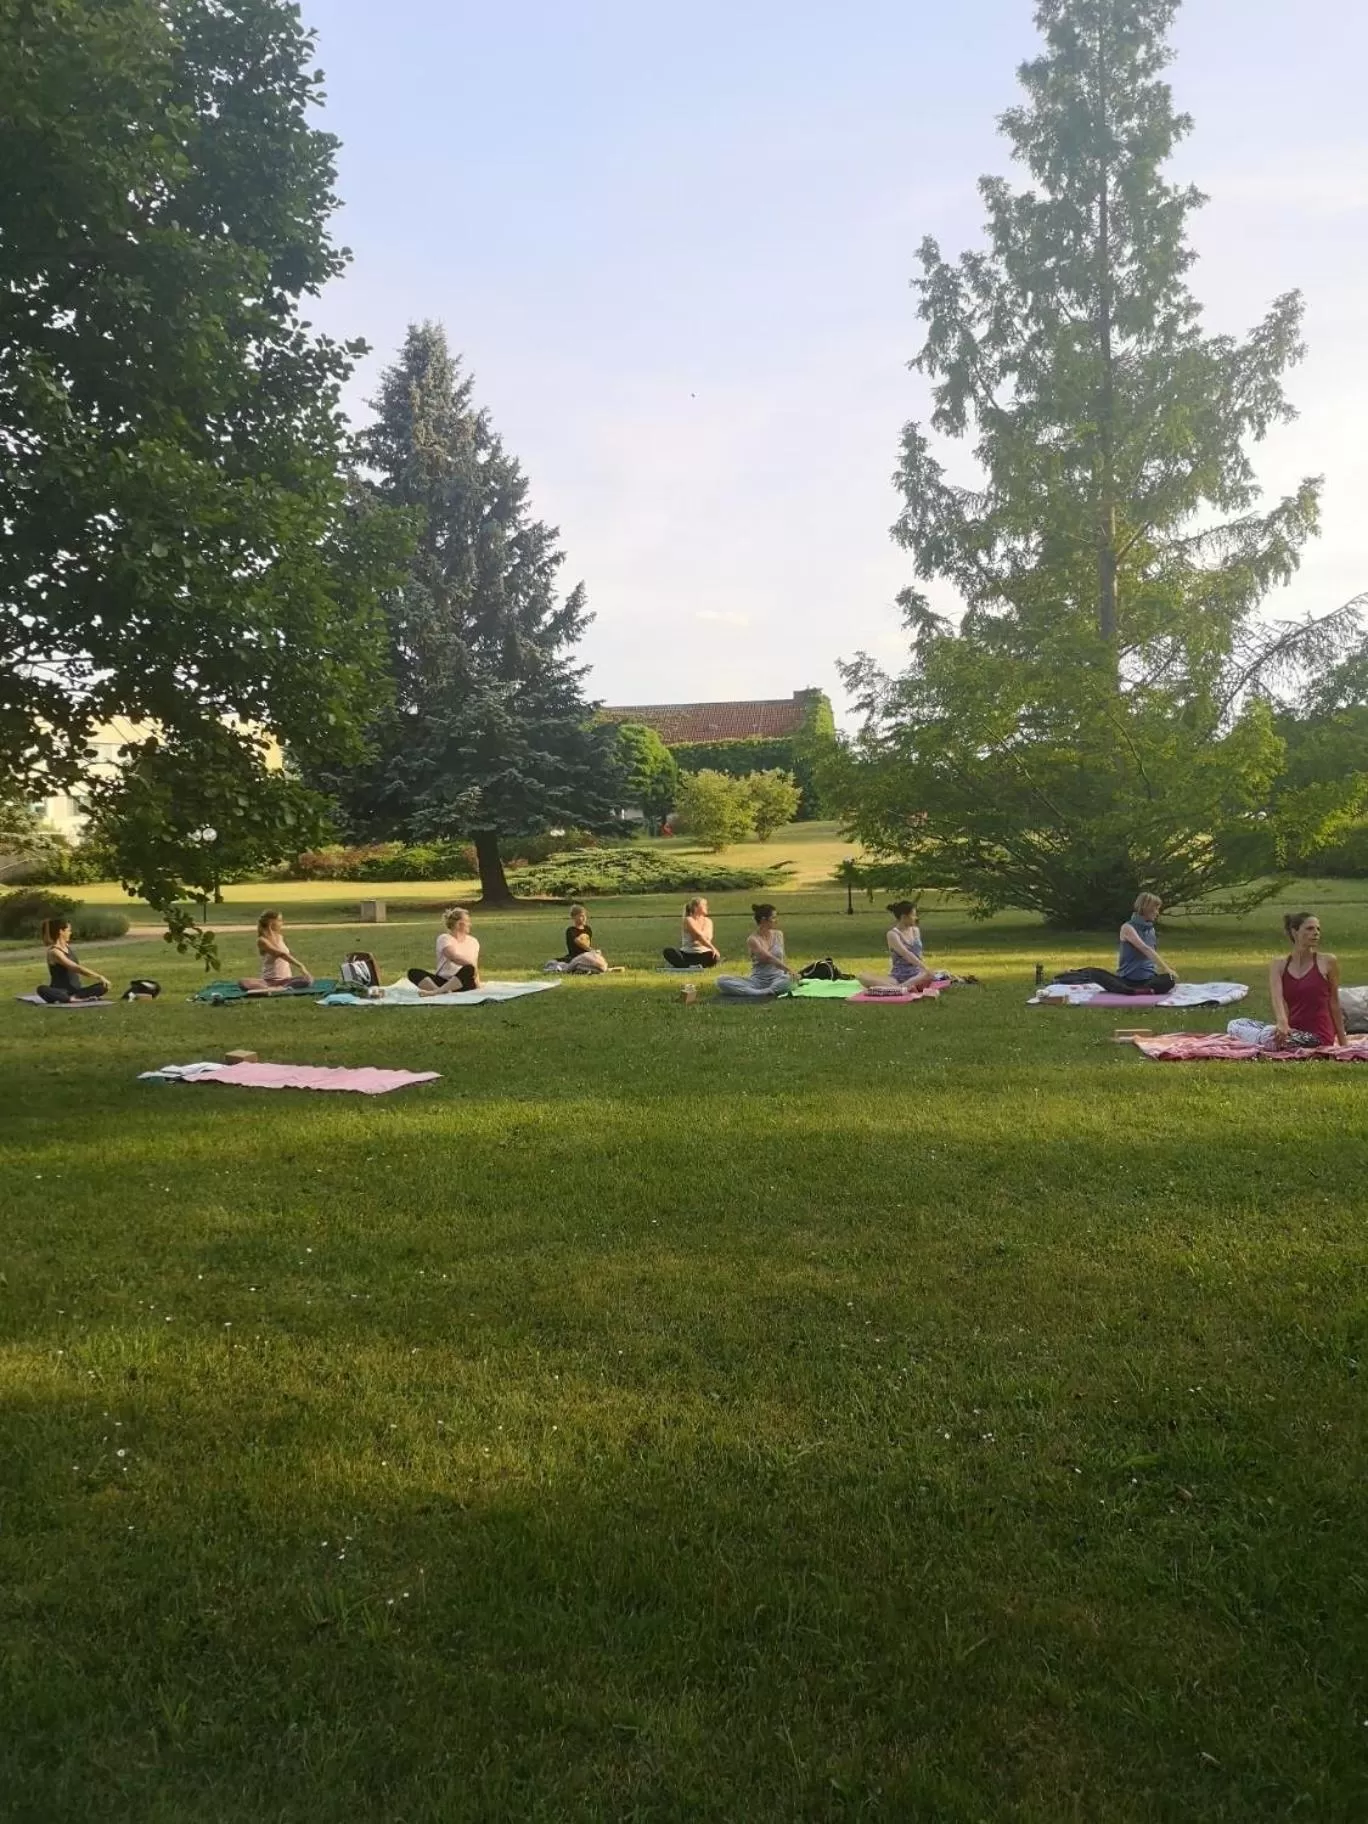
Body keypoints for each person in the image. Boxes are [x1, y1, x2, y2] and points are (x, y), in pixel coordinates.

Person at [1051, 892, 1178, 996]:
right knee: (1093, 972)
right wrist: (1166, 968)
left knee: (1169, 980)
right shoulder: (1127, 928)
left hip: (1148, 980)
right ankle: (1061, 979)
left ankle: (1136, 991)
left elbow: (1151, 954)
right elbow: (1145, 948)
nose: (1157, 912)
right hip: (1126, 980)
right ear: (1146, 908)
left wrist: (1167, 972)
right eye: (1155, 909)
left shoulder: (1151, 930)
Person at [1269, 911, 1346, 1048]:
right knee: (1236, 1024)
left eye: (1318, 929)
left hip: (1318, 1035)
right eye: (1310, 928)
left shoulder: (1328, 961)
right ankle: (1271, 1038)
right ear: (1295, 932)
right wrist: (1282, 1022)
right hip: (1290, 1031)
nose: (1316, 932)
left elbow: (1334, 1003)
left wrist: (1343, 1043)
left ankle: (1272, 1040)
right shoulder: (1279, 964)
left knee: (1277, 1041)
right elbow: (1277, 998)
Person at [716, 904, 799, 999]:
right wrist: (788, 969)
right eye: (773, 918)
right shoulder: (752, 940)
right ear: (764, 920)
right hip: (757, 981)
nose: (776, 920)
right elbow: (768, 958)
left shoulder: (779, 934)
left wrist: (790, 974)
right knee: (721, 981)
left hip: (778, 979)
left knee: (789, 980)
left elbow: (783, 957)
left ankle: (769, 990)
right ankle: (758, 992)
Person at [857, 901, 936, 996]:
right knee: (862, 977)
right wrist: (924, 967)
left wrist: (924, 970)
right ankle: (902, 988)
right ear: (904, 917)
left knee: (930, 975)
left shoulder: (916, 931)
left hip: (917, 975)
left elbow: (919, 954)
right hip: (897, 977)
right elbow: (906, 954)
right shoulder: (892, 934)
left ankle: (897, 989)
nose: (916, 918)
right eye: (913, 915)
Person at [408, 906, 481, 994]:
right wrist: (470, 964)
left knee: (469, 969)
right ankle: (440, 991)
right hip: (443, 981)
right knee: (413, 972)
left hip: (463, 983)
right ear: (458, 924)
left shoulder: (473, 941)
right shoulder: (444, 938)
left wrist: (477, 984)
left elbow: (474, 966)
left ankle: (437, 992)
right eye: (467, 921)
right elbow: (452, 956)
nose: (470, 924)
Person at [239, 910, 314, 993]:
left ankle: (277, 989)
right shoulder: (262, 940)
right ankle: (275, 988)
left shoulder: (280, 937)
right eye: (279, 920)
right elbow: (281, 954)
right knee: (243, 982)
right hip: (268, 981)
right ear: (271, 922)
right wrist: (300, 965)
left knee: (308, 980)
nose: (282, 923)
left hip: (286, 980)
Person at [39, 918, 110, 1002]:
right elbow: (75, 968)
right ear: (61, 931)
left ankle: (75, 998)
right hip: (60, 992)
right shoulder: (54, 952)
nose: (70, 933)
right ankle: (71, 999)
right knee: (41, 989)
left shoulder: (67, 947)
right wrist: (99, 976)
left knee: (103, 986)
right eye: (68, 930)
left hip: (76, 991)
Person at [664, 897, 721, 969]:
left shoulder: (708, 921)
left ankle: (684, 965)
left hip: (703, 953)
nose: (707, 907)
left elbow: (706, 938)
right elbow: (698, 937)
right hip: (687, 953)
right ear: (696, 907)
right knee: (668, 951)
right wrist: (712, 947)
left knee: (715, 957)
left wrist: (703, 941)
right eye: (704, 905)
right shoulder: (688, 920)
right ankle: (689, 966)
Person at [555, 904, 610, 974]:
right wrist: (591, 950)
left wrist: (595, 952)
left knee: (599, 961)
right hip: (576, 957)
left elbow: (588, 943)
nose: (584, 918)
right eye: (581, 916)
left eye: (585, 916)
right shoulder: (571, 930)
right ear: (574, 917)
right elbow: (578, 942)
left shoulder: (588, 929)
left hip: (588, 955)